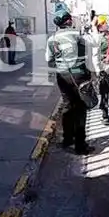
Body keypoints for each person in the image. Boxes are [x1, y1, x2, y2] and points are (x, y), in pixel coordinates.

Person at [46, 8, 94, 155]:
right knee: (80, 108)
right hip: (79, 75)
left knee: (68, 106)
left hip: (62, 76)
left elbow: (49, 60)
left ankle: (67, 139)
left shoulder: (52, 39)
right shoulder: (79, 35)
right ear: (68, 21)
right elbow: (90, 51)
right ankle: (80, 146)